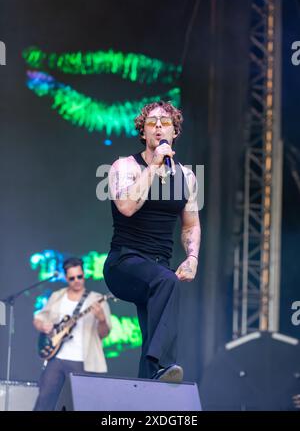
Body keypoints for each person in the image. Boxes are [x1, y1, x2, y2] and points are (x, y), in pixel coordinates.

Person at [103, 101, 201, 383]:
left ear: (175, 132)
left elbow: (191, 224)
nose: (159, 126)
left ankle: (151, 384)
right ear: (143, 133)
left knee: (153, 331)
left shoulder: (187, 177)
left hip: (158, 268)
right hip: (124, 262)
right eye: (152, 123)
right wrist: (154, 165)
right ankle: (164, 363)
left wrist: (192, 258)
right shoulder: (125, 166)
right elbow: (127, 206)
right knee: (167, 282)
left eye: (166, 122)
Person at [33, 257, 112, 411]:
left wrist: (102, 320)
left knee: (81, 405)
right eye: (72, 278)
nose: (76, 280)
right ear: (66, 278)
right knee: (44, 401)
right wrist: (43, 326)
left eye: (79, 276)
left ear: (83, 275)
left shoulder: (97, 300)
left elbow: (104, 334)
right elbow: (39, 319)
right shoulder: (57, 296)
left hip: (83, 361)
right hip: (56, 359)